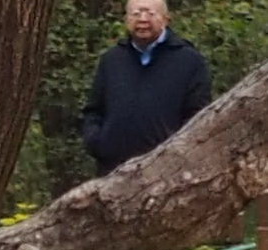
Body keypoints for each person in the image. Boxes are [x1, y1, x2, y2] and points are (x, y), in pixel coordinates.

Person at [81, 0, 212, 174]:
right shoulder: (112, 60)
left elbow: (198, 117)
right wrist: (97, 142)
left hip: (166, 173)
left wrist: (177, 154)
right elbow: (94, 110)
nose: (143, 19)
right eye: (136, 14)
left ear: (166, 19)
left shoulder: (189, 61)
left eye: (150, 13)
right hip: (112, 171)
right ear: (127, 19)